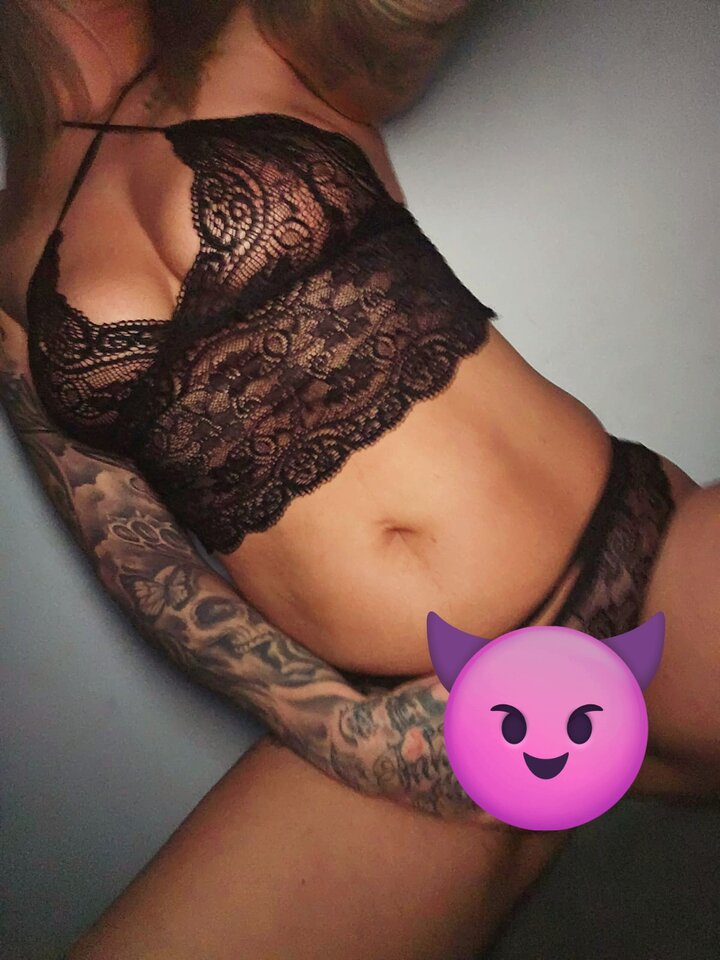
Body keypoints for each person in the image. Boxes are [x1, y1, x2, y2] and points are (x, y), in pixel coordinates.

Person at [0, 2, 718, 957]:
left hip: (635, 554)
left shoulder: (275, 31)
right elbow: (134, 550)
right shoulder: (9, 254)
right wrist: (355, 738)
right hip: (410, 709)